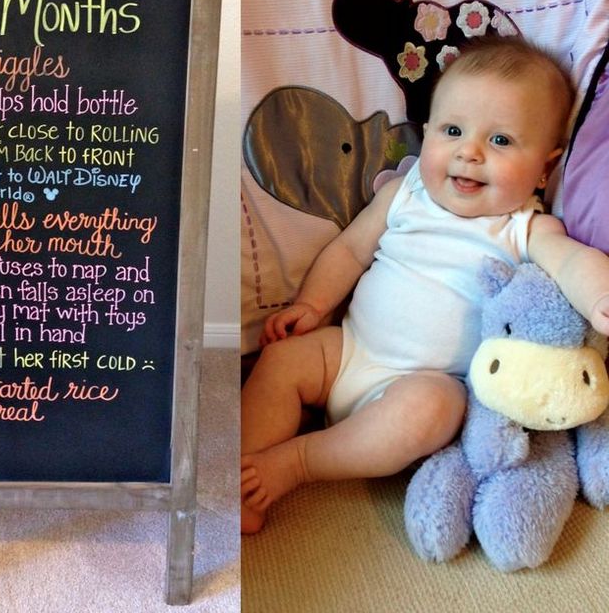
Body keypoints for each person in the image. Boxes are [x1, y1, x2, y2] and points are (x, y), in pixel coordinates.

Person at [241, 35, 609, 534]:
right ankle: (240, 474)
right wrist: (312, 305)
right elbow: (349, 251)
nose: (469, 153)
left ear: (545, 165)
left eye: (500, 140)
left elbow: (571, 262)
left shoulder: (524, 226)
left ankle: (299, 461)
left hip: (419, 386)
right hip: (348, 351)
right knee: (282, 359)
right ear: (428, 131)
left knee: (437, 407)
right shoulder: (403, 193)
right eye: (453, 130)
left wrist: (599, 297)